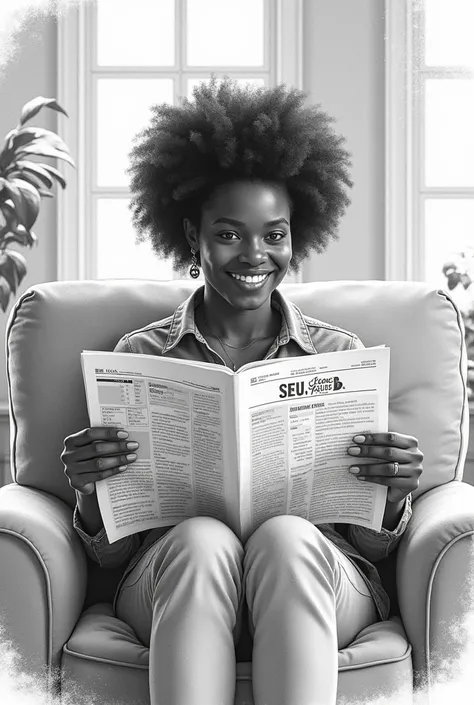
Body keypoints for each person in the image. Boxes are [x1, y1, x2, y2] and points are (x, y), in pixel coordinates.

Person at [61, 77, 423, 705]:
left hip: (319, 581)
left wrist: (392, 493)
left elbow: (370, 543)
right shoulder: (139, 358)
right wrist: (91, 492)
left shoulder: (341, 356)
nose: (255, 254)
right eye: (228, 233)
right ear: (191, 238)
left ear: (296, 236)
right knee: (202, 538)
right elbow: (112, 558)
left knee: (285, 536)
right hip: (173, 583)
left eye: (274, 234)